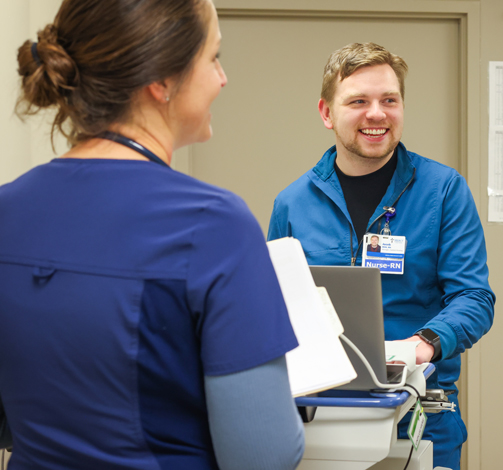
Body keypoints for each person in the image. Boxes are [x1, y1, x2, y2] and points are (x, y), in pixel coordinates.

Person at [0, 0, 304, 468]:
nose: (222, 78)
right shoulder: (214, 225)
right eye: (213, 58)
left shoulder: (7, 210)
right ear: (161, 81)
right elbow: (263, 455)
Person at [268, 42, 495, 470]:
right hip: (319, 414)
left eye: (389, 100)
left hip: (421, 412)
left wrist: (422, 345)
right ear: (326, 112)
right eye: (358, 101)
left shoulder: (443, 191)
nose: (377, 114)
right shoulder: (292, 204)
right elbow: (272, 307)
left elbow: (474, 298)